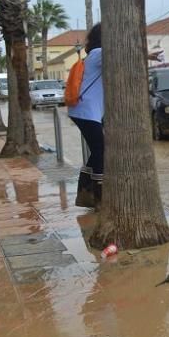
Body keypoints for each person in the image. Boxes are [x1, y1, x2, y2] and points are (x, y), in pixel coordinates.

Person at [68, 23, 104, 208]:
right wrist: (147, 55)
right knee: (100, 150)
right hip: (86, 111)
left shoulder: (94, 54)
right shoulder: (99, 53)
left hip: (86, 110)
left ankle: (86, 190)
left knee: (97, 150)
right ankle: (97, 195)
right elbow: (122, 56)